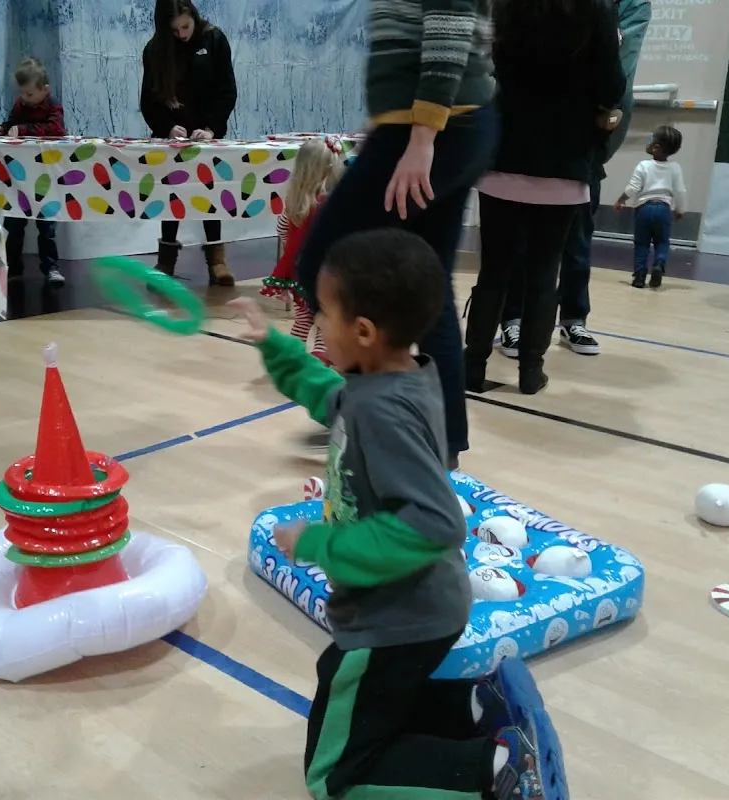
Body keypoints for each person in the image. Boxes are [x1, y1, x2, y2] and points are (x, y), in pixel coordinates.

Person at [229, 229, 566, 800]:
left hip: (394, 615)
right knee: (374, 696)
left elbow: (434, 523)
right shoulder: (396, 377)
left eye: (324, 313)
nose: (318, 324)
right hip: (417, 606)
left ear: (363, 332)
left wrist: (318, 543)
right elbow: (331, 396)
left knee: (335, 777)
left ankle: (496, 772)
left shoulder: (383, 411)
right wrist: (275, 348)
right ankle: (477, 707)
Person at [292, 0, 498, 469]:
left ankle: (368, 417)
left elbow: (449, 25)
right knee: (431, 288)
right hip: (448, 125)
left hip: (433, 128)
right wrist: (388, 122)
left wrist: (421, 138)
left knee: (322, 263)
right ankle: (440, 443)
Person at [463, 0, 626, 395]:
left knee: (493, 272)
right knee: (544, 273)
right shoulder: (595, 9)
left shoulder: (506, 6)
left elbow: (486, 70)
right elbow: (612, 86)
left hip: (505, 153)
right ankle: (530, 372)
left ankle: (473, 367)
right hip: (565, 160)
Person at [496, 0, 651, 358]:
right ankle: (513, 320)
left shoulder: (627, 6)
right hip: (523, 137)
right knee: (519, 240)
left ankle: (573, 318)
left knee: (576, 237)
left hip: (580, 140)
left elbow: (617, 73)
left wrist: (604, 119)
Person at [140, 0, 237, 286]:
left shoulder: (214, 39)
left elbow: (227, 90)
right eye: (175, 30)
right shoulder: (154, 50)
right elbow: (149, 100)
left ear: (194, 16)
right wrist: (167, 128)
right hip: (173, 138)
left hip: (207, 134)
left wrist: (211, 128)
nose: (182, 34)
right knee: (170, 196)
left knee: (211, 194)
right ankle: (166, 261)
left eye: (186, 26)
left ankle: (217, 261)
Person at [260, 137, 343, 363]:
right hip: (327, 273)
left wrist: (293, 248)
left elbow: (282, 229)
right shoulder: (332, 204)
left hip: (300, 272)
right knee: (325, 318)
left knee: (303, 317)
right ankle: (319, 358)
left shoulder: (294, 201)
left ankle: (291, 356)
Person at [0, 57, 67, 285]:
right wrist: (2, 128)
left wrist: (23, 129)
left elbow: (56, 129)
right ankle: (13, 267)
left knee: (47, 225)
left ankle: (51, 267)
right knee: (14, 222)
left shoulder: (53, 106)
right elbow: (12, 123)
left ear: (45, 90)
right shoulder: (20, 105)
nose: (24, 98)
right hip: (19, 176)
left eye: (29, 94)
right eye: (22, 93)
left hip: (45, 175)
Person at [614, 125, 686, 288]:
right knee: (662, 242)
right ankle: (659, 263)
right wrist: (680, 210)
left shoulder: (643, 165)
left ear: (656, 147)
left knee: (642, 243)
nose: (648, 141)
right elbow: (680, 191)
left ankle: (639, 276)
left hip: (643, 210)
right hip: (664, 210)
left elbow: (633, 188)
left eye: (651, 139)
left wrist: (621, 200)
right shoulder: (675, 168)